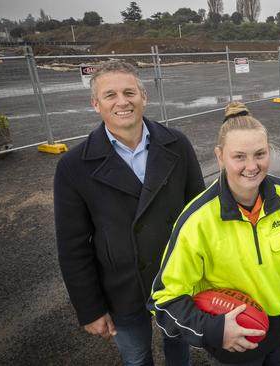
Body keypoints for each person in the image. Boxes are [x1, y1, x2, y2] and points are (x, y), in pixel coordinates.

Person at [54, 60, 205, 366]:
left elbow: (201, 217)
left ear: (143, 97)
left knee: (179, 351)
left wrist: (209, 276)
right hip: (120, 288)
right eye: (110, 95)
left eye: (129, 92)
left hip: (177, 280)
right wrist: (90, 309)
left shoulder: (177, 144)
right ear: (96, 104)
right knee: (136, 357)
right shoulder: (73, 166)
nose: (122, 101)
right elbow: (72, 247)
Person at [148, 102, 280, 365]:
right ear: (219, 156)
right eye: (239, 156)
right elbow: (165, 300)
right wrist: (214, 331)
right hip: (236, 348)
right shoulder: (197, 219)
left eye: (260, 154)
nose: (251, 166)